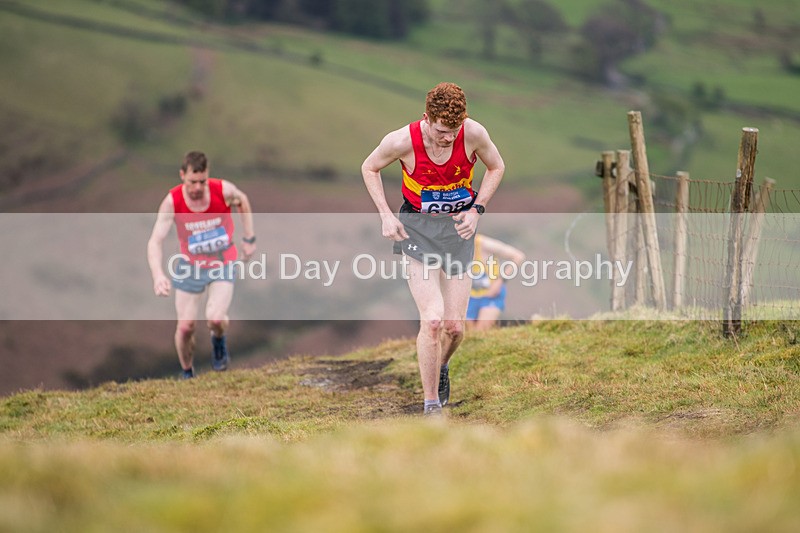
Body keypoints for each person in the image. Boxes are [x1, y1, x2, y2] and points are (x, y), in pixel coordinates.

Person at [361, 82, 505, 416]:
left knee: (455, 328)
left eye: (454, 131)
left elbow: (497, 166)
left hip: (458, 231)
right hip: (417, 230)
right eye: (442, 131)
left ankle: (440, 365)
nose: (448, 138)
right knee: (434, 319)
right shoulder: (401, 140)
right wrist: (385, 215)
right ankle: (430, 404)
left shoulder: (473, 134)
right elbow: (369, 167)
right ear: (427, 118)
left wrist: (476, 210)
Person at [147, 151, 256, 379]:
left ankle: (218, 340)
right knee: (186, 327)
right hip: (189, 267)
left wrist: (249, 239)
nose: (197, 188)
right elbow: (155, 241)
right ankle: (187, 372)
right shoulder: (172, 202)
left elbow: (242, 200)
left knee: (215, 318)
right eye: (191, 182)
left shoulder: (223, 190)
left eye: (202, 182)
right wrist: (158, 275)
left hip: (222, 262)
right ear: (182, 176)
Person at [467, 234, 526, 331]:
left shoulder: (483, 244)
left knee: (480, 332)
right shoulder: (450, 249)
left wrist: (499, 282)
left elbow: (518, 256)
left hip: (491, 295)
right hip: (468, 297)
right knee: (465, 334)